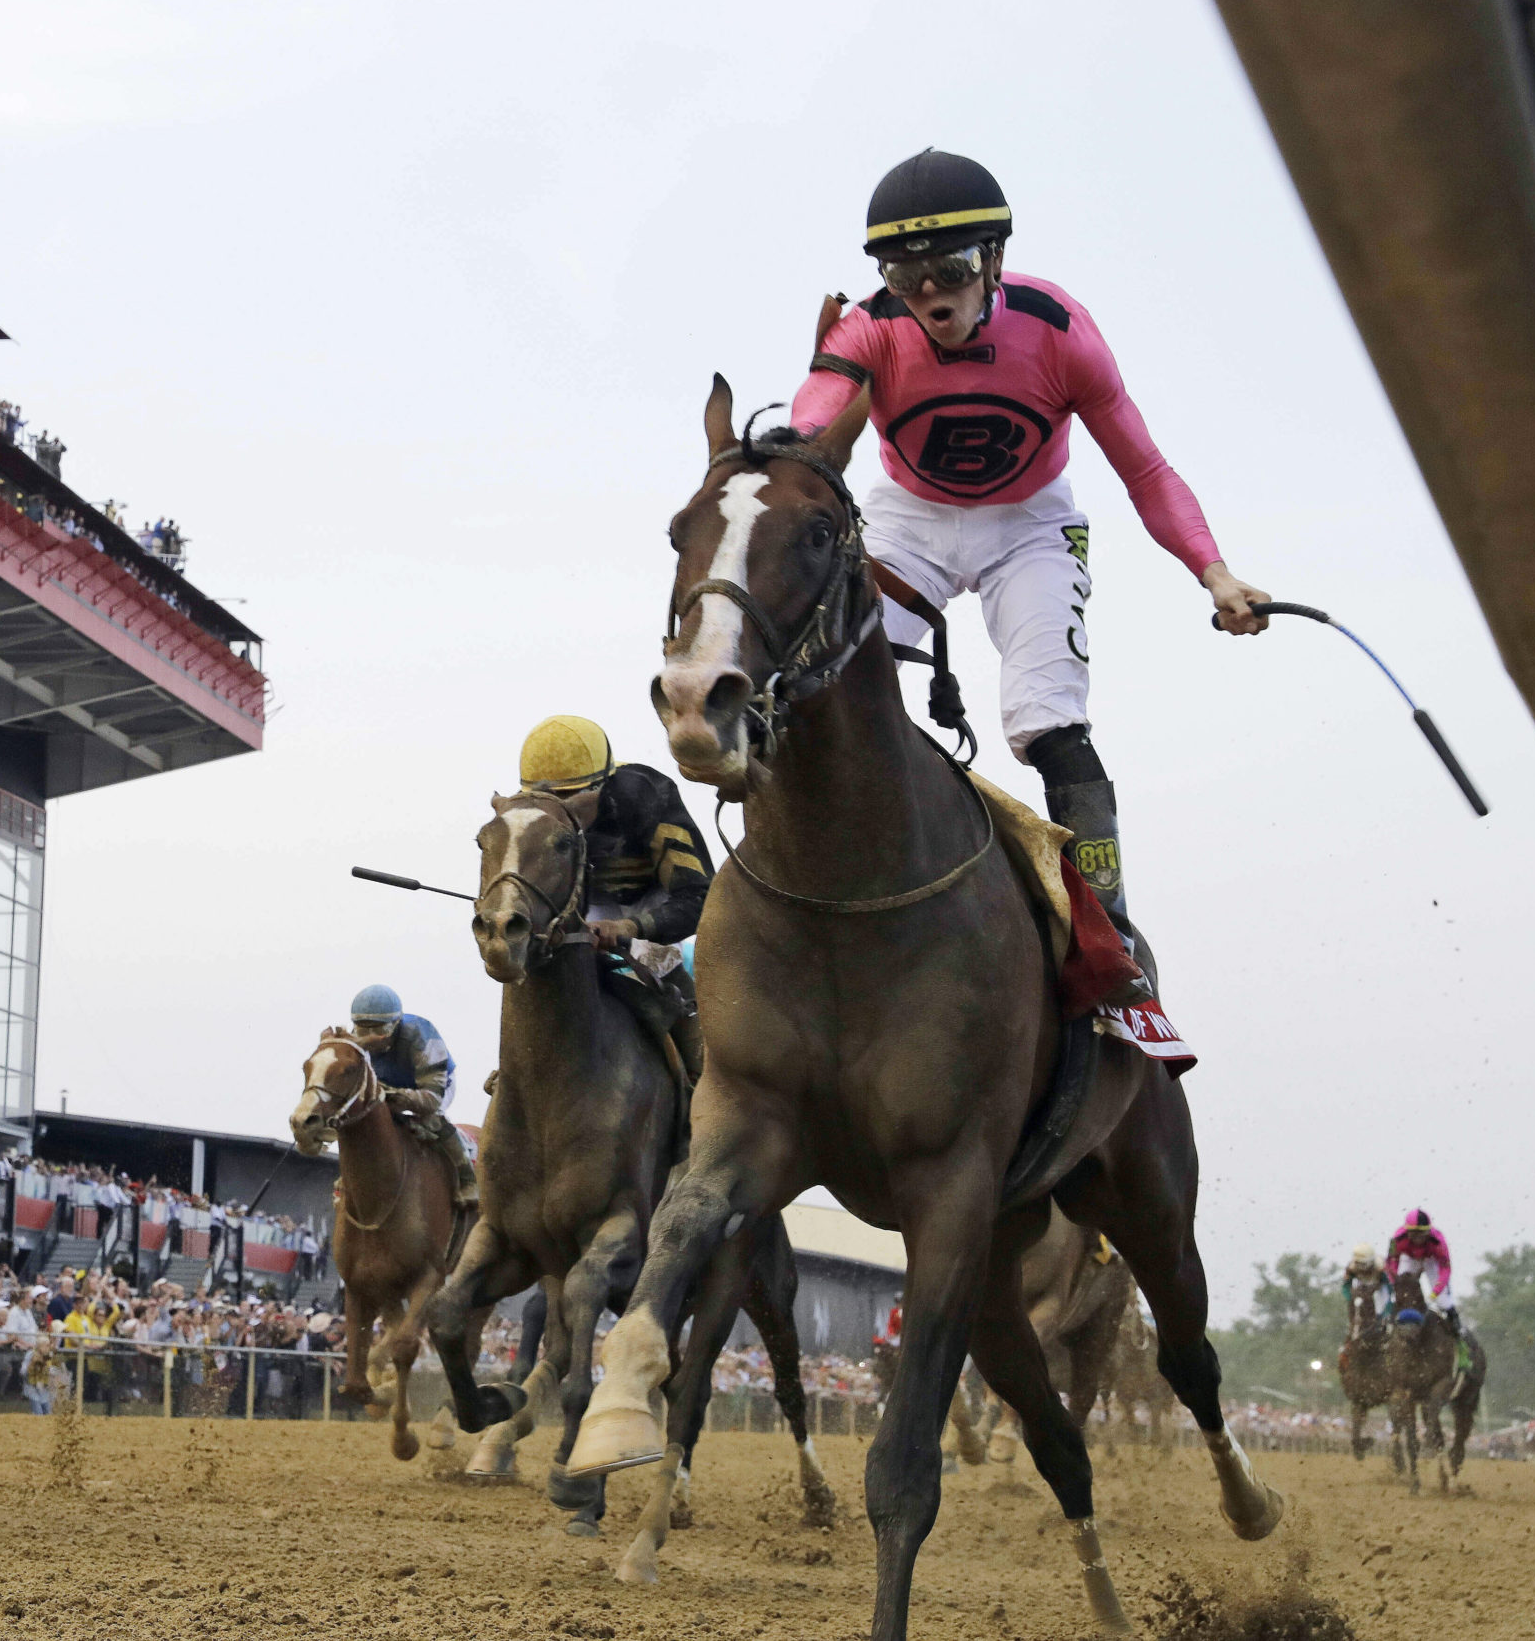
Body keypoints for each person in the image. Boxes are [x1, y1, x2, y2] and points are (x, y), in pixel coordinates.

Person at [790, 150, 1274, 1006]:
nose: (931, 295)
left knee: (1050, 723)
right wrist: (800, 436)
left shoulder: (1059, 330)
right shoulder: (869, 324)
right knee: (824, 689)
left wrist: (1215, 571)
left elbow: (1147, 471)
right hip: (910, 522)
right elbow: (814, 417)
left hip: (1031, 525)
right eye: (906, 275)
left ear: (996, 262)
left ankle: (1110, 935)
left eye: (952, 268)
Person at [514, 714, 711, 1078]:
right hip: (585, 905)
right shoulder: (530, 820)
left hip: (650, 900)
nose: (561, 812)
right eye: (546, 800)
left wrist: (629, 926)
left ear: (602, 786)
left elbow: (700, 898)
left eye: (572, 799)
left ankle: (700, 1071)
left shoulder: (648, 795)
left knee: (655, 964)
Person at [345, 984, 476, 1211]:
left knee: (431, 1117)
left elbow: (431, 1099)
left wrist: (392, 1095)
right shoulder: (356, 1040)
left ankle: (467, 1178)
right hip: (389, 1084)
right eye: (363, 1030)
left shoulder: (421, 1035)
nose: (371, 1038)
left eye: (379, 1029)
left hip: (432, 1084)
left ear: (396, 1024)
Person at [1384, 1209, 1457, 1332]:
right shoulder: (1396, 1239)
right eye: (1414, 1233)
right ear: (1407, 1231)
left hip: (1431, 1259)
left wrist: (1435, 1292)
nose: (1418, 1237)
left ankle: (1457, 1330)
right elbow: (1391, 1262)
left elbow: (1445, 1268)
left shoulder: (1438, 1241)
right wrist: (1395, 1281)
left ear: (1429, 1231)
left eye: (1422, 1233)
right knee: (1401, 1292)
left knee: (1442, 1301)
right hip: (1409, 1257)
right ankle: (1388, 1326)